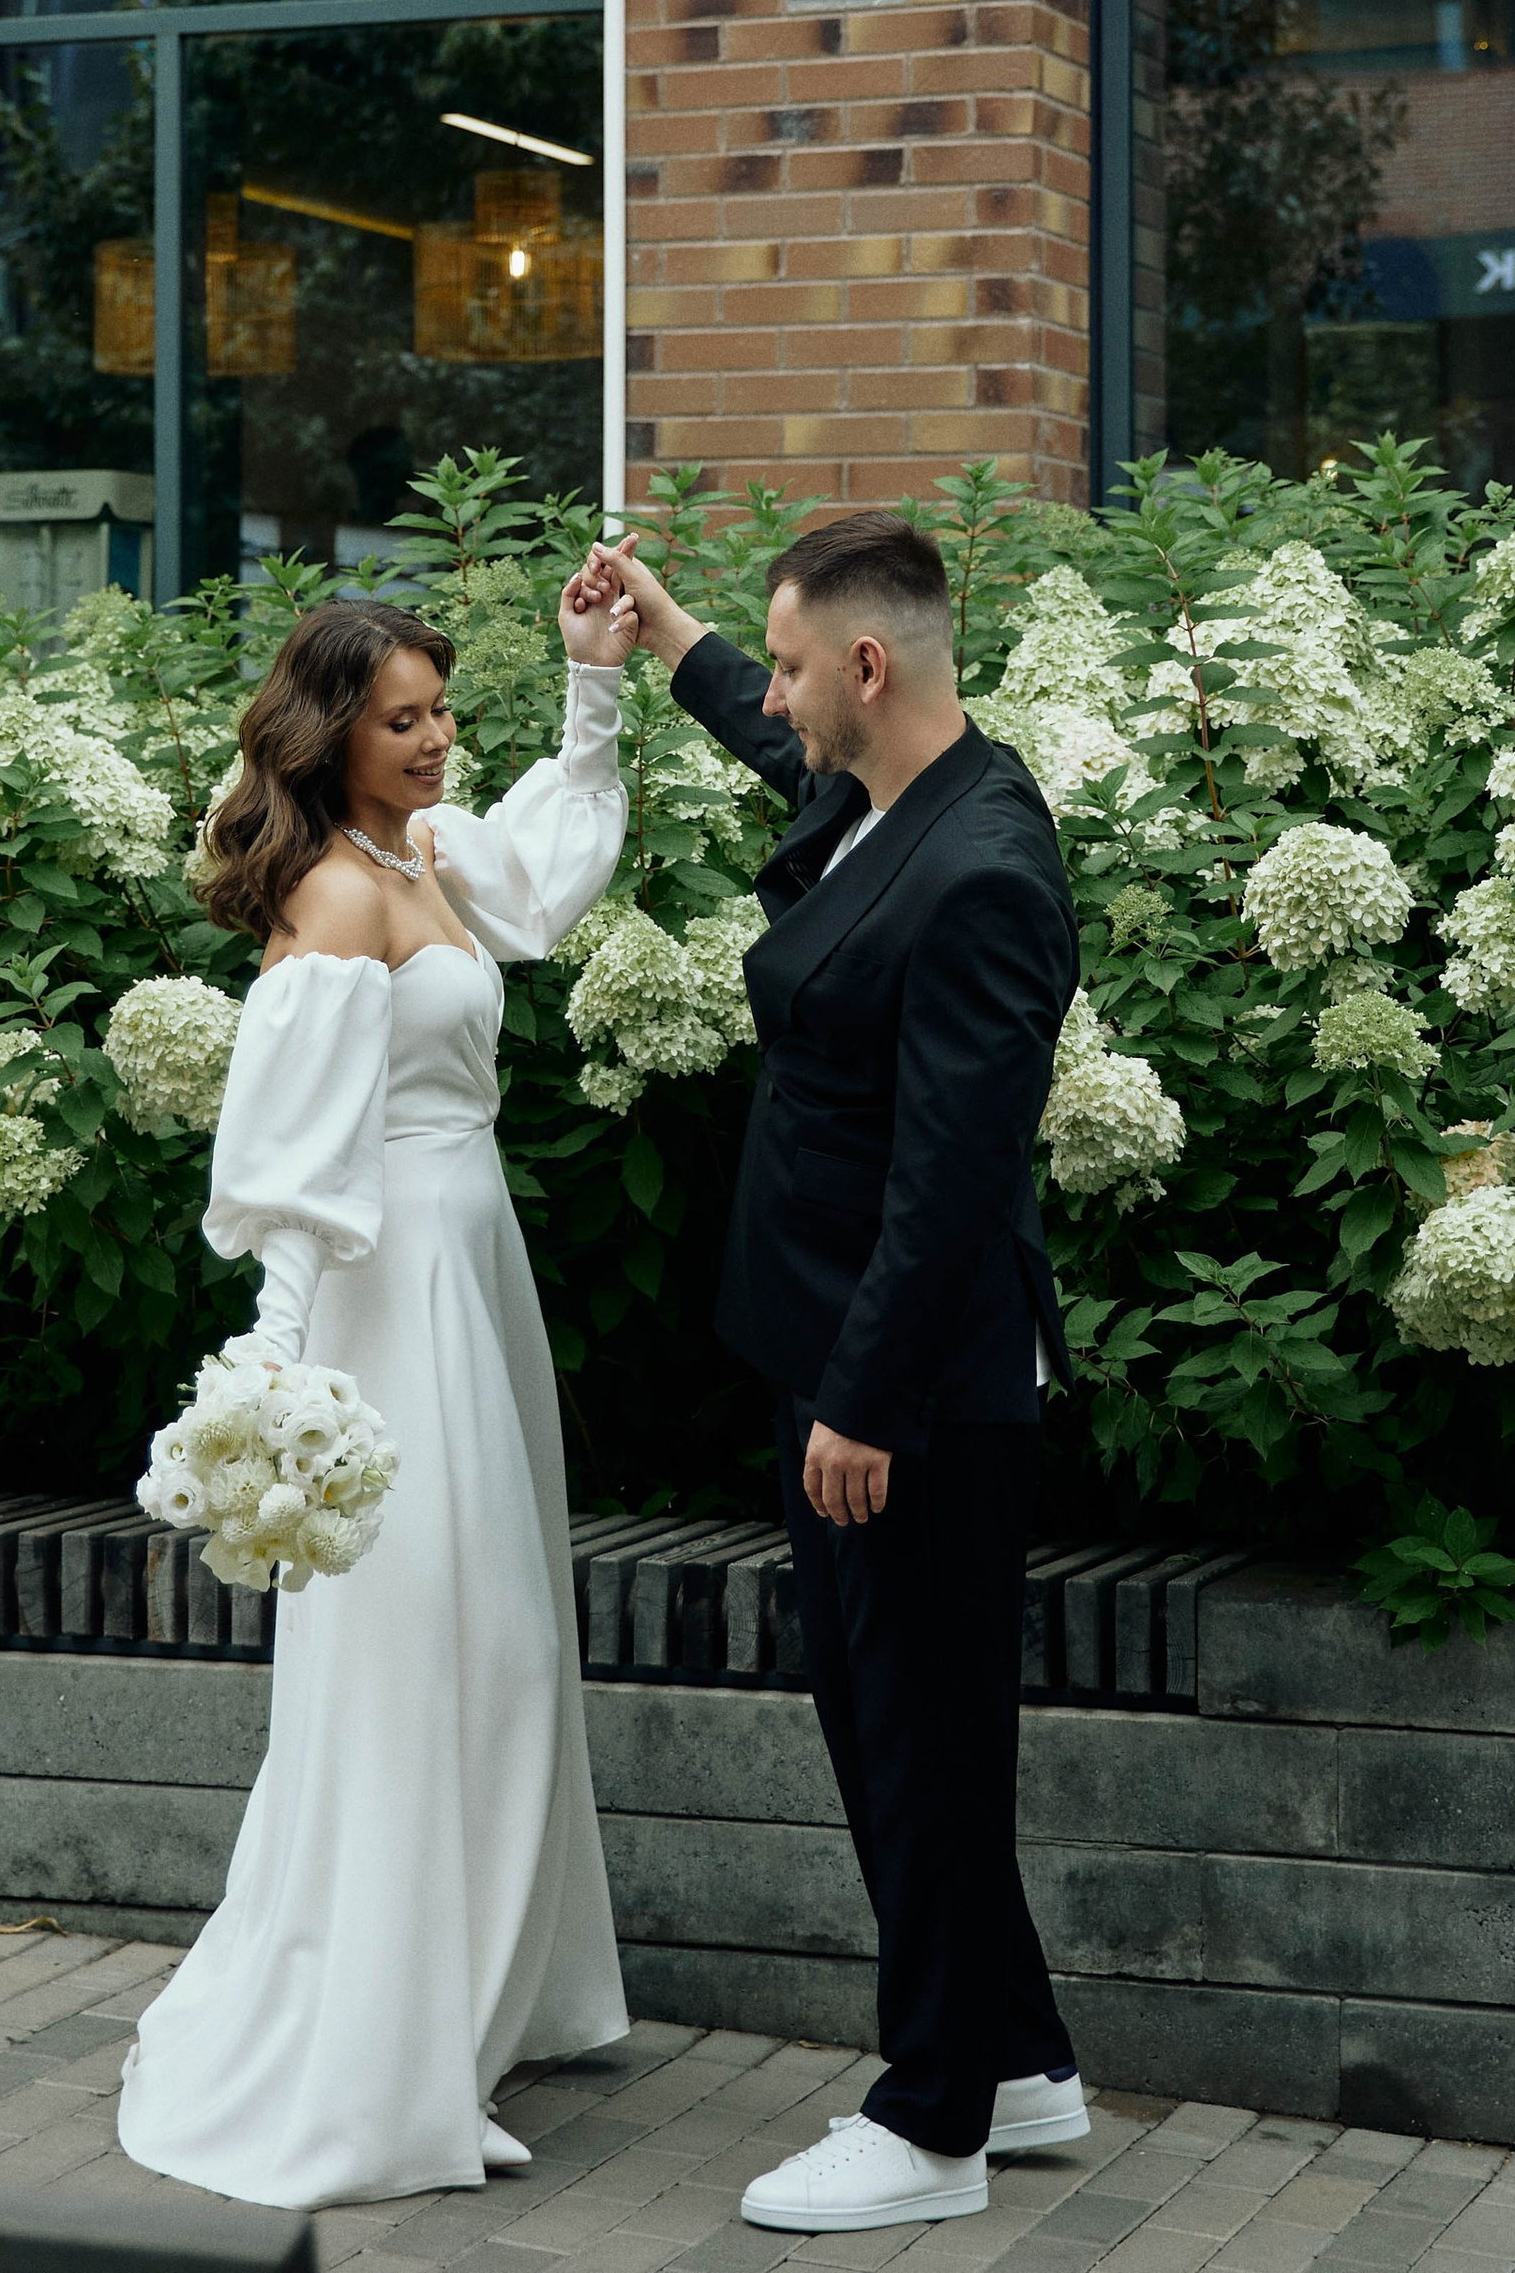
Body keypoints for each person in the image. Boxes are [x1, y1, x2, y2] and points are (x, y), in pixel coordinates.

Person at [580, 509, 1087, 2234]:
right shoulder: (891, 798)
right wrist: (669, 633)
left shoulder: (986, 869)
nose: (777, 695)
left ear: (869, 667)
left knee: (917, 1742)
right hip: (843, 1358)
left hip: (916, 1392)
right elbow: (755, 719)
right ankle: (1016, 2060)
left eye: (797, 665)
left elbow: (954, 1177)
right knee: (900, 1731)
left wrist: (862, 1399)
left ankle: (934, 2122)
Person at [118, 579, 636, 2210]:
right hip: (387, 1293)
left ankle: (476, 2011)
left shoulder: (433, 852)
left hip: (474, 1280)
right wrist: (274, 1378)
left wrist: (592, 685)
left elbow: (549, 884)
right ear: (332, 736)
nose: (432, 741)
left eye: (438, 712)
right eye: (402, 720)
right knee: (431, 1654)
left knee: (508, 1646)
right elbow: (284, 1171)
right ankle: (392, 2050)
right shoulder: (336, 905)